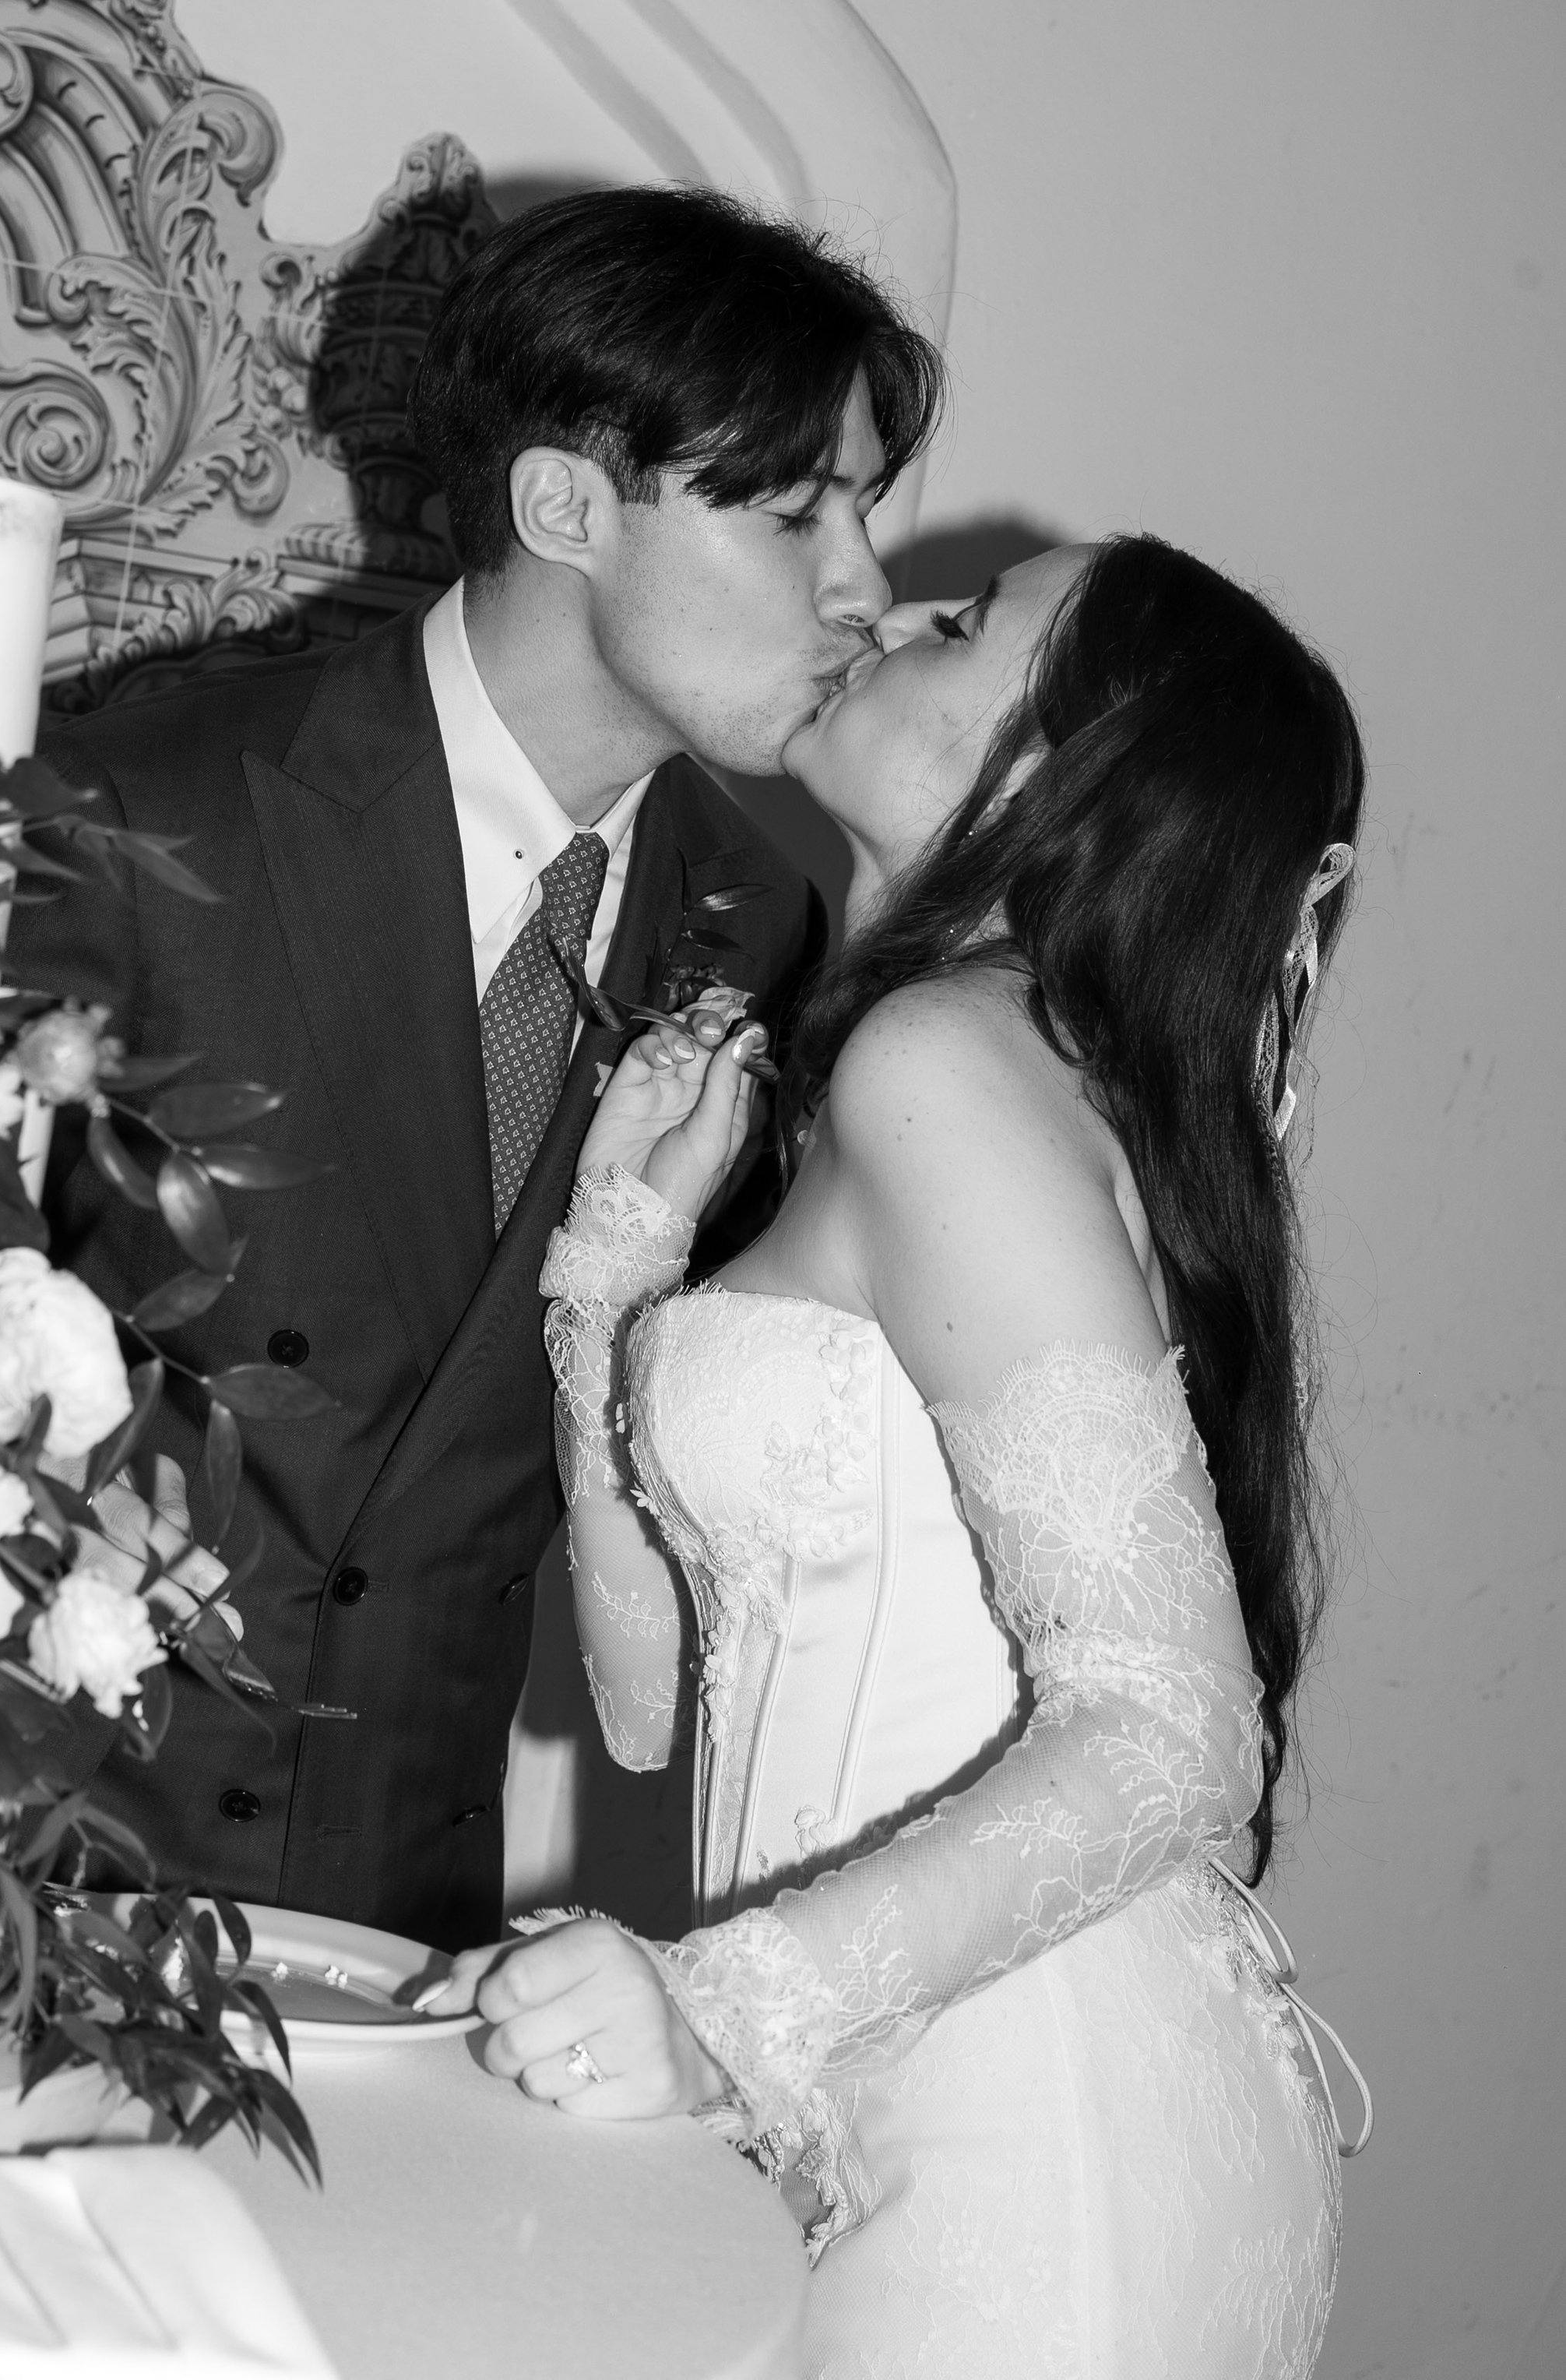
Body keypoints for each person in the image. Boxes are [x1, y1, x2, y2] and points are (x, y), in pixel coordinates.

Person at [424, 536, 1372, 2376]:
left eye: (960, 626)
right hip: (870, 2099)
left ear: (1058, 766)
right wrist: (617, 1258)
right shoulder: (949, 1063)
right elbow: (644, 1699)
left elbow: (1177, 1728)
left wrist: (721, 2013)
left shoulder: (942, 1062)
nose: (876, 614)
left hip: (1027, 2138)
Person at [12, 186, 944, 1952]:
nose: (861, 585)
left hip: (403, 1910)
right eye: (789, 510)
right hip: (59, 1863)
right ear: (564, 504)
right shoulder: (140, 813)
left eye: (864, 509)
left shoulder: (752, 918)